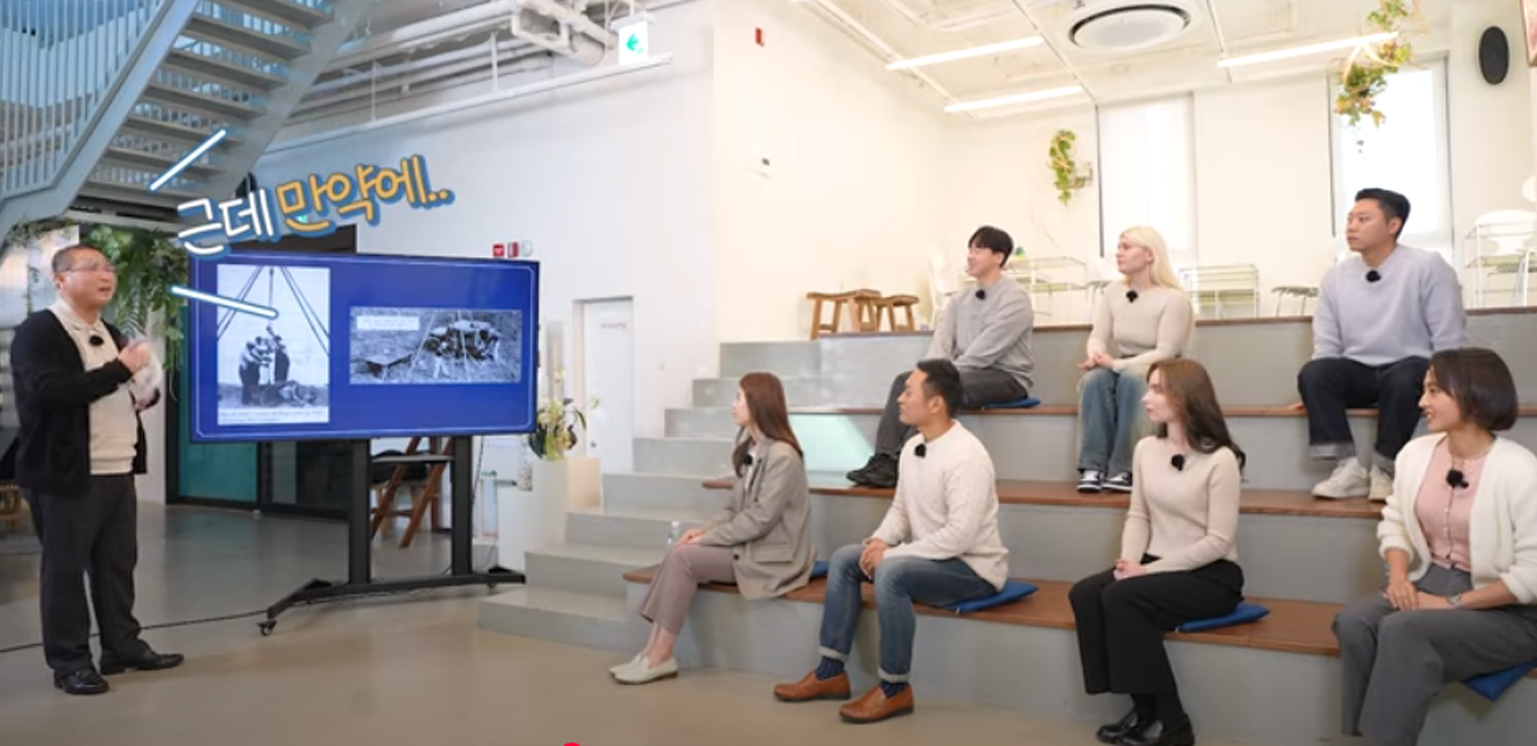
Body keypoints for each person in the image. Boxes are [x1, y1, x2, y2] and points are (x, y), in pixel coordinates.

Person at [775, 359, 1008, 724]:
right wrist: (878, 542)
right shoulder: (914, 445)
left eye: (908, 391)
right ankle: (829, 671)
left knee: (891, 574)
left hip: (972, 568)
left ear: (935, 403)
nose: (899, 398)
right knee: (845, 559)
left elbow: (959, 537)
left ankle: (895, 689)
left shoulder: (967, 457)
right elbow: (901, 510)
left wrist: (893, 554)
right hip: (928, 557)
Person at [1332, 347, 1537, 746]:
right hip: (1431, 580)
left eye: (1433, 391)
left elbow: (1533, 575)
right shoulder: (1415, 454)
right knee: (1355, 621)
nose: (1421, 402)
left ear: (1472, 393)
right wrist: (1398, 579)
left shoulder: (1521, 471)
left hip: (1510, 610)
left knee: (1405, 629)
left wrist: (1449, 605)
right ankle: (1373, 735)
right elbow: (1394, 522)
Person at [10, 244, 183, 696]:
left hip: (117, 467)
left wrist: (144, 392)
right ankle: (70, 662)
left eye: (109, 268)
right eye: (92, 267)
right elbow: (51, 393)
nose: (106, 274)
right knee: (64, 572)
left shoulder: (108, 330)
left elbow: (120, 384)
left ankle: (122, 646)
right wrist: (119, 369)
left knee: (117, 566)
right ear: (61, 279)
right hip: (67, 474)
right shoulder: (39, 331)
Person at [1069, 358, 1245, 746]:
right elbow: (1138, 515)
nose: (1146, 397)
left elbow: (1218, 541)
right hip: (1153, 564)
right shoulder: (1147, 448)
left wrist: (1147, 573)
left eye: (1158, 389)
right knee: (1085, 593)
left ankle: (1174, 724)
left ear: (1187, 397)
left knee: (1122, 597)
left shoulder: (1221, 459)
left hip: (1210, 574)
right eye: (1148, 387)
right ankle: (1142, 707)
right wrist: (1130, 562)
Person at [610, 372, 814, 685]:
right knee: (681, 549)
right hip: (748, 545)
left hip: (771, 557)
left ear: (758, 404)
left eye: (738, 398)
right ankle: (651, 651)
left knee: (684, 558)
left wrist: (707, 538)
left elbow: (760, 519)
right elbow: (732, 509)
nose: (732, 405)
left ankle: (660, 655)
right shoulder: (753, 450)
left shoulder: (783, 456)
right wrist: (701, 530)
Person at [1300, 188, 1466, 501]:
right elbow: (1326, 341)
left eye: (1363, 219)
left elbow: (1448, 333)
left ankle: (1385, 469)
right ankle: (1347, 468)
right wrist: (1317, 388)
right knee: (1314, 373)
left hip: (1410, 369)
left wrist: (1447, 385)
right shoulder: (1336, 276)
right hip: (1359, 372)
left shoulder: (1426, 266)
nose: (1352, 226)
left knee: (1406, 376)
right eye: (1350, 219)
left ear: (1393, 226)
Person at [847, 226, 1034, 488]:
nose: (970, 255)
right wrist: (925, 372)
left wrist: (940, 376)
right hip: (963, 372)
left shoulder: (1015, 298)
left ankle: (905, 459)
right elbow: (941, 343)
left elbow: (987, 351)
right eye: (970, 249)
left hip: (1005, 377)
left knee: (937, 387)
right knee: (906, 380)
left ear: (998, 257)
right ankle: (884, 458)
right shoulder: (959, 300)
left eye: (978, 249)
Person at [1077, 226, 1194, 493]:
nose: (1118, 253)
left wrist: (1117, 365)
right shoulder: (1112, 293)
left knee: (1132, 378)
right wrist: (1095, 355)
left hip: (1162, 366)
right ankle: (1092, 466)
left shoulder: (1173, 298)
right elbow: (1098, 335)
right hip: (1123, 361)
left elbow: (1166, 350)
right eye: (1118, 247)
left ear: (1150, 254)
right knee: (1093, 379)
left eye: (1126, 247)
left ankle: (1125, 468)